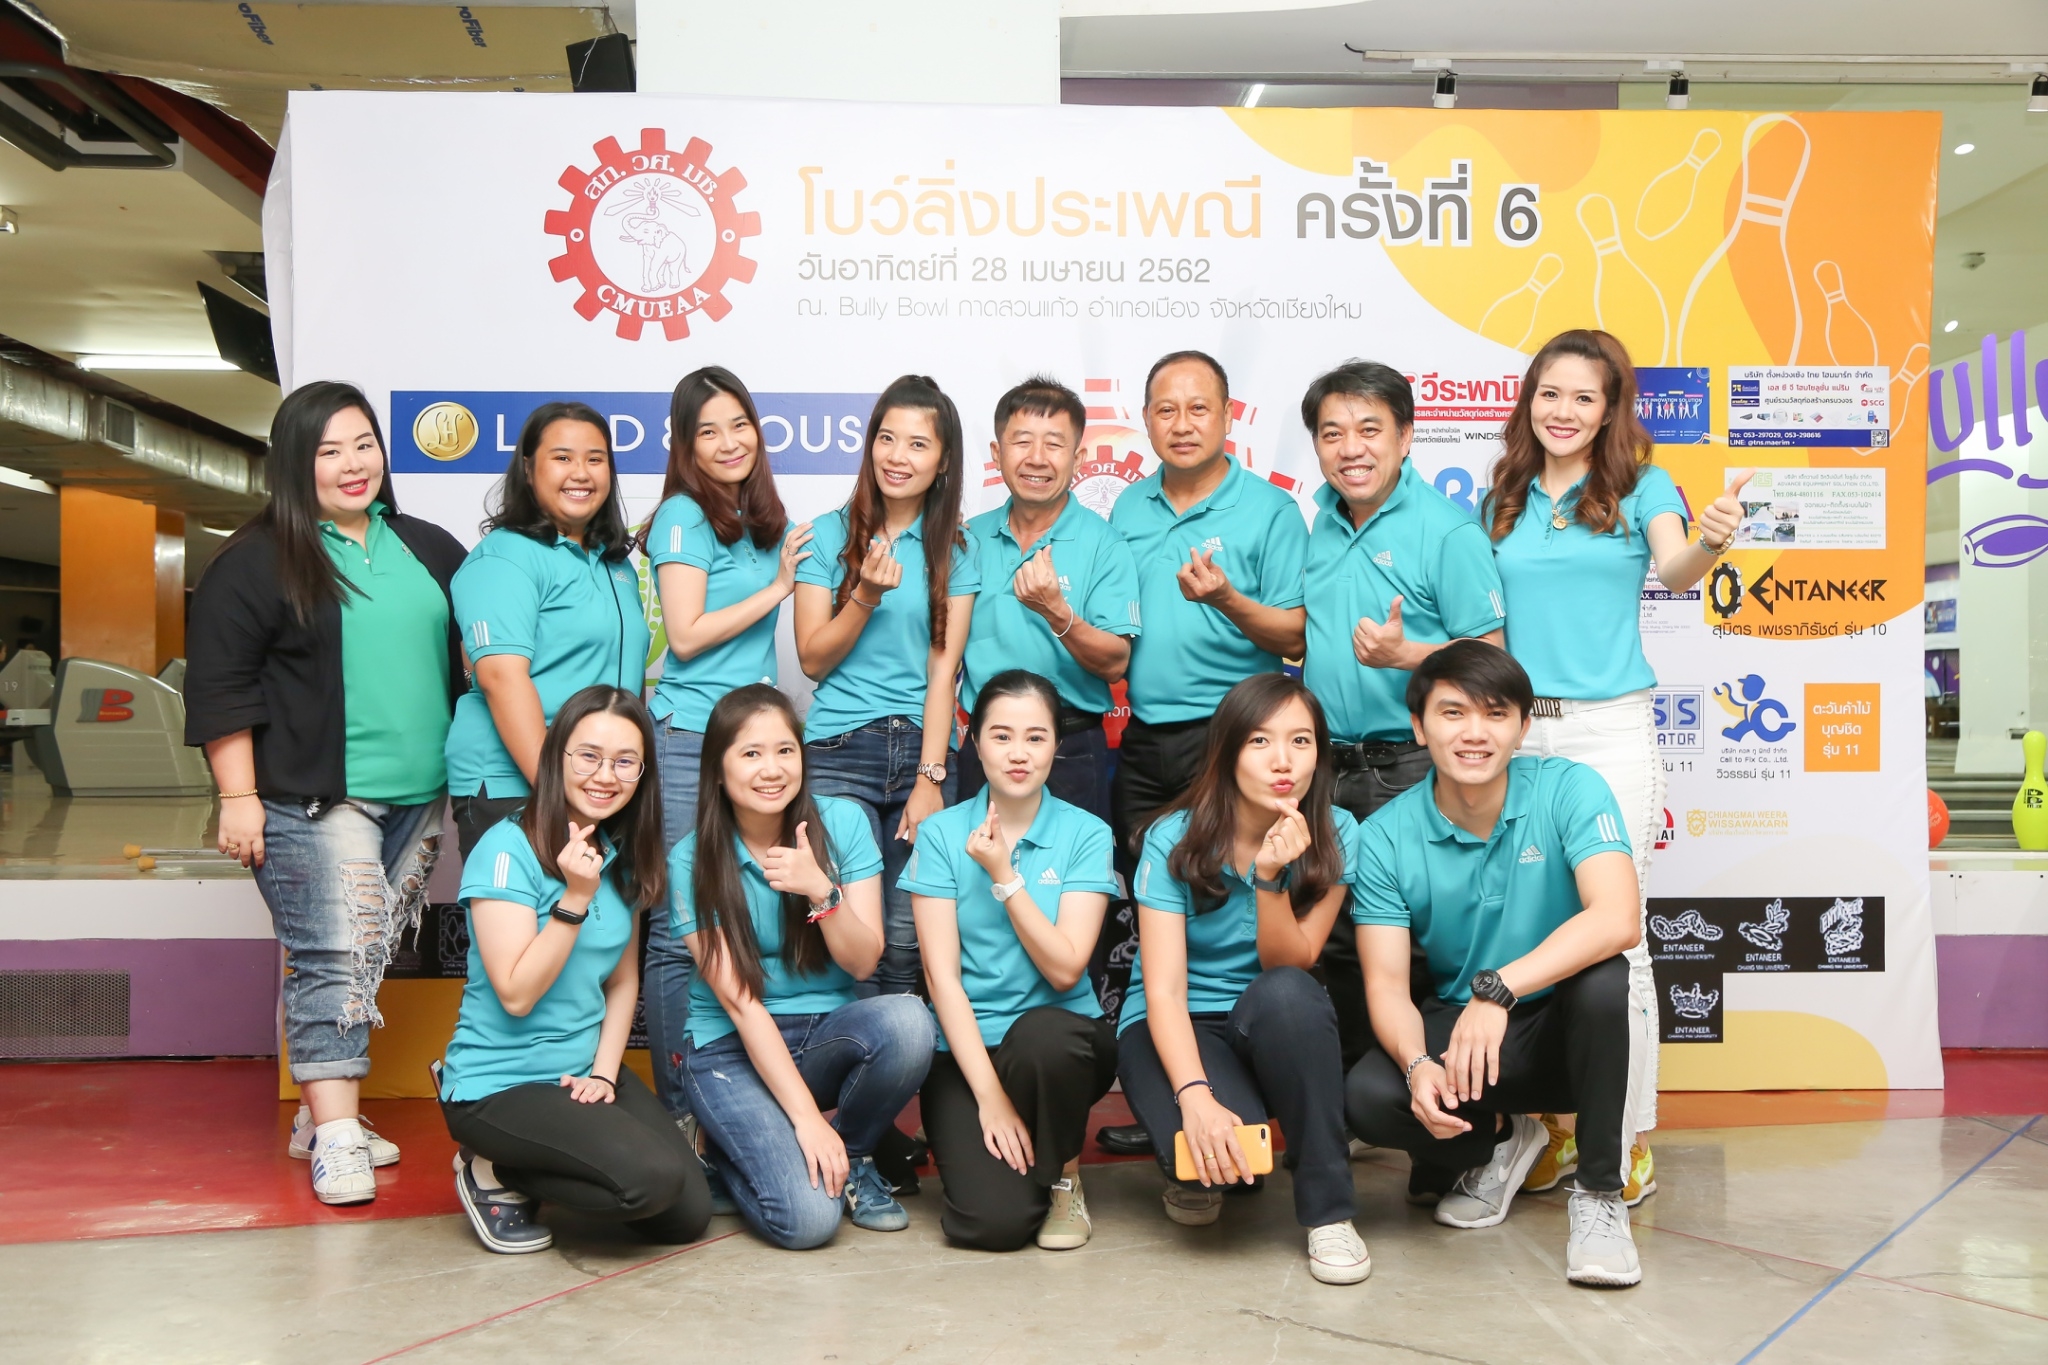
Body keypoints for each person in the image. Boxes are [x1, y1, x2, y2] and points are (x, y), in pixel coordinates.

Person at [184, 381, 466, 1204]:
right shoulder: (255, 560)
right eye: (328, 450)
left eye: (363, 444)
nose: (352, 463)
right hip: (312, 799)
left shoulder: (425, 545)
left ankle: (319, 1113)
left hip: (419, 797)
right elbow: (222, 687)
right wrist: (237, 796)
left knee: (364, 948)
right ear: (292, 464)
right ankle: (338, 1134)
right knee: (333, 953)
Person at [1482, 330, 1747, 1204]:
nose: (1563, 411)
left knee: (1617, 939)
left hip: (1610, 733)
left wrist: (1712, 540)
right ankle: (1548, 1130)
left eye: (1583, 397)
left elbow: (1677, 568)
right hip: (1516, 735)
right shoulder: (1503, 496)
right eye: (1548, 393)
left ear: (1609, 409)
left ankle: (1623, 1137)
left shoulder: (1642, 486)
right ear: (1530, 400)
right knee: (1524, 938)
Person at [1344, 639, 1646, 1286]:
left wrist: (1498, 989)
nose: (1475, 733)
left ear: (1523, 726)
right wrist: (1418, 1064)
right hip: (1466, 1038)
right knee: (1369, 1095)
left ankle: (1599, 1196)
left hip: (1562, 1030)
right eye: (1453, 713)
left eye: (1496, 713)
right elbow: (1387, 985)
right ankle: (1503, 1139)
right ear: (1419, 726)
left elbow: (1618, 917)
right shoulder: (1385, 835)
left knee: (1604, 979)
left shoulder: (1570, 787)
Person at [1116, 673, 1371, 1286]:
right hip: (1174, 1021)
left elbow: (1292, 963)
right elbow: (1164, 992)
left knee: (1291, 994)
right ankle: (1208, 1162)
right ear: (1227, 751)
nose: (1283, 760)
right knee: (1217, 1157)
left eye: (1301, 741)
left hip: (1269, 1016)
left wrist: (1269, 878)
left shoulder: (1338, 831)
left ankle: (1330, 1213)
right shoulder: (1173, 836)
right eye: (1260, 741)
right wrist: (1196, 1098)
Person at [438, 686, 710, 1254]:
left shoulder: (620, 853)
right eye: (588, 756)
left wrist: (604, 1076)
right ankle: (491, 1166)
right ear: (557, 756)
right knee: (650, 1180)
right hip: (502, 1082)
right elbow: (516, 994)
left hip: (581, 1073)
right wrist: (575, 899)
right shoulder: (506, 849)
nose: (605, 776)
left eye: (625, 762)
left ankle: (536, 1158)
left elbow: (622, 980)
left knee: (685, 1214)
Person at [1299, 361, 1507, 1075]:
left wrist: (1406, 655)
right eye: (1332, 433)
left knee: (1420, 946)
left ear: (1406, 436)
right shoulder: (1321, 524)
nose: (1350, 448)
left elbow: (1493, 658)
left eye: (1369, 429)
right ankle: (1357, 1100)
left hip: (1411, 769)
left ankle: (1438, 1107)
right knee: (1333, 942)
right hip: (1326, 769)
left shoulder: (1447, 532)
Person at [672, 684, 934, 1249]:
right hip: (730, 1049)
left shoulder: (843, 823)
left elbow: (863, 962)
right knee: (809, 1222)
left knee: (910, 1021)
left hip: (824, 1035)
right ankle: (719, 1147)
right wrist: (808, 1121)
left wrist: (822, 891)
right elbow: (742, 1005)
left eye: (785, 750)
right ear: (717, 770)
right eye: (751, 753)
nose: (772, 769)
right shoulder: (690, 859)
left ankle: (855, 1156)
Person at [1107, 349, 1307, 1028]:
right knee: (1153, 901)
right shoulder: (1127, 507)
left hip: (1231, 739)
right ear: (1146, 420)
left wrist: (1227, 598)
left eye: (1199, 408)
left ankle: (1243, 1043)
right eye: (1167, 409)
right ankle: (1162, 1050)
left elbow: (1297, 634)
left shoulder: (1271, 511)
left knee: (1228, 904)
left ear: (1227, 416)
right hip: (1143, 741)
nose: (1183, 423)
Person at [644, 367, 811, 1123]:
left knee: (739, 910)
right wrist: (778, 589)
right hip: (689, 739)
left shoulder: (758, 518)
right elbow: (684, 635)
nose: (728, 442)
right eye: (707, 430)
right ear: (685, 445)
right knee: (679, 929)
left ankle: (732, 1091)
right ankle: (682, 1109)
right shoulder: (682, 515)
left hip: (749, 739)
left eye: (739, 424)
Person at [902, 670, 1119, 1251]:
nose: (1018, 753)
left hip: (1061, 1047)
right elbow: (942, 980)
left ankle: (1065, 1177)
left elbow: (1065, 970)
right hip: (969, 1050)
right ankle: (1007, 1159)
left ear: (1056, 745)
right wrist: (990, 1099)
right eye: (1001, 736)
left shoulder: (1087, 833)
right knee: (991, 1225)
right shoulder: (941, 834)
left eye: (1035, 737)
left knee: (1046, 1036)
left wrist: (1004, 875)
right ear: (975, 743)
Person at [795, 375, 978, 996]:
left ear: (943, 460)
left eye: (918, 444)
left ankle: (900, 1050)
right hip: (839, 752)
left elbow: (943, 672)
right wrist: (865, 595)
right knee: (843, 936)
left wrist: (930, 779)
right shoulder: (827, 534)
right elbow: (812, 658)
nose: (898, 457)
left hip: (924, 754)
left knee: (906, 941)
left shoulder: (956, 549)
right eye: (887, 439)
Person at [445, 401, 648, 857]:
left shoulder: (615, 565)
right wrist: (558, 797)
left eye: (595, 459)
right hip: (519, 783)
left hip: (598, 783)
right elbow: (500, 679)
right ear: (527, 468)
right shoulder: (506, 556)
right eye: (562, 457)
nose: (581, 473)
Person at [957, 376, 1140, 824]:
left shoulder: (1105, 544)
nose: (1037, 458)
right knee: (975, 866)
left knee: (1074, 869)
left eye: (1054, 444)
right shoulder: (966, 540)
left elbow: (1116, 664)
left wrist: (1058, 614)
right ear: (997, 453)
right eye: (1022, 441)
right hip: (984, 748)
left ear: (1078, 458)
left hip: (1070, 749)